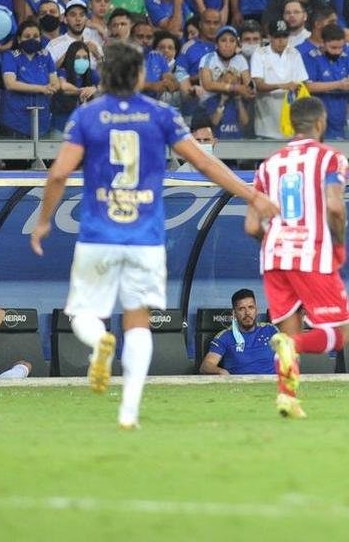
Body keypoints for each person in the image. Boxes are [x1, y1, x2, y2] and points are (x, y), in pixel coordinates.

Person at [30, 41, 277, 428]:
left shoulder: (87, 116)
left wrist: (44, 220)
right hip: (145, 236)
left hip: (98, 233)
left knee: (81, 314)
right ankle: (128, 412)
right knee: (138, 322)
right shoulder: (162, 115)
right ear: (142, 76)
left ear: (104, 75)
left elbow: (58, 173)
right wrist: (252, 194)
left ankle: (99, 344)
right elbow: (203, 162)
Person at [244, 96, 349, 419]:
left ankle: (287, 398)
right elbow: (334, 205)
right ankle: (296, 348)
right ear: (320, 123)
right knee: (339, 334)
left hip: (274, 256)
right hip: (312, 253)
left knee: (287, 333)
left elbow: (251, 225)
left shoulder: (268, 166)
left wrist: (275, 242)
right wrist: (340, 244)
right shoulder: (331, 158)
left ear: (291, 124)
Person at [200, 289, 278, 375]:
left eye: (251, 307)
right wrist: (221, 371)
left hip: (270, 385)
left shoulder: (270, 330)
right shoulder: (225, 336)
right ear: (234, 313)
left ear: (256, 310)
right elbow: (206, 366)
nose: (247, 312)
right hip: (239, 386)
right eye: (241, 309)